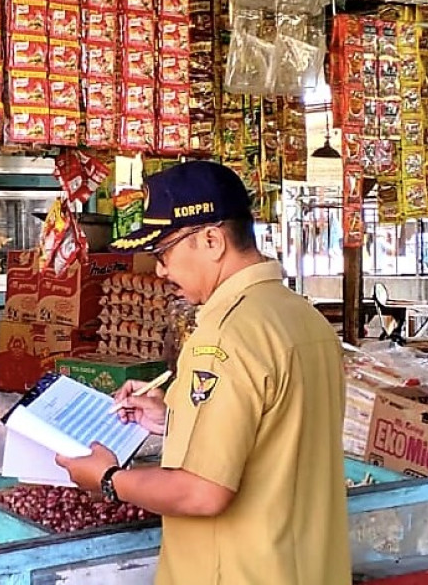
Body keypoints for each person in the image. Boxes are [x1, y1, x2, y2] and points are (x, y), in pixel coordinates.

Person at [56, 161, 351, 585]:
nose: (160, 270)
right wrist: (171, 418)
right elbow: (276, 434)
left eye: (163, 253)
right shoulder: (303, 318)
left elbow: (204, 492)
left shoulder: (223, 337)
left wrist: (107, 480)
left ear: (211, 240)